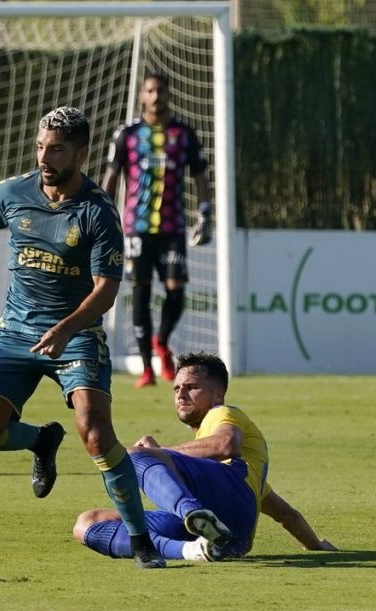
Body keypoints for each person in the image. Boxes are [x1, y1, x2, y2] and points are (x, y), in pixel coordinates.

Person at [0, 106, 165, 569]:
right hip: (16, 333)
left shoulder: (98, 212)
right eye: (40, 147)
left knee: (95, 433)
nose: (45, 158)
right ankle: (41, 441)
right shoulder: (13, 192)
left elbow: (106, 290)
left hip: (77, 336)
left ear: (81, 154)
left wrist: (66, 328)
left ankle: (141, 540)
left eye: (57, 150)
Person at [73, 352, 337, 562]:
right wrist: (315, 545)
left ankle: (195, 515)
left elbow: (226, 444)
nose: (180, 395)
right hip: (234, 535)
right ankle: (194, 550)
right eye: (176, 388)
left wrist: (157, 453)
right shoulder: (237, 468)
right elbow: (286, 515)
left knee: (133, 456)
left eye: (192, 387)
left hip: (228, 500)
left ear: (218, 395)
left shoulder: (223, 413)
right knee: (88, 523)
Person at [102, 72, 213, 388]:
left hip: (173, 227)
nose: (155, 96)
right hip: (136, 227)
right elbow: (111, 175)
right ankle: (147, 368)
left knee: (176, 289)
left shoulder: (184, 133)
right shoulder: (127, 134)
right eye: (150, 91)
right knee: (141, 291)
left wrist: (205, 213)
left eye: (160, 90)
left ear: (168, 94)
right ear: (142, 96)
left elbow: (200, 175)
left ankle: (161, 342)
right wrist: (102, 214)